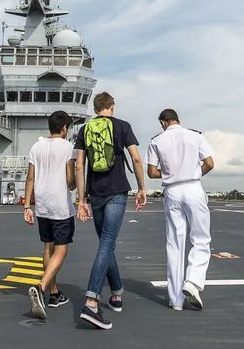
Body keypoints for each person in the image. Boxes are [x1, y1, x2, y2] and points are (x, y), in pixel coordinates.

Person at [74, 92, 147, 330]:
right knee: (107, 243)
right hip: (117, 191)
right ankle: (92, 302)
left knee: (106, 242)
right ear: (112, 108)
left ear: (95, 109)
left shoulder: (84, 130)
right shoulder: (123, 126)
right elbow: (136, 159)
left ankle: (116, 293)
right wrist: (141, 188)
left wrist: (80, 199)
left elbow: (79, 165)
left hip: (95, 193)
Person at [146, 108, 214, 311]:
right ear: (178, 120)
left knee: (175, 244)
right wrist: (194, 172)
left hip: (172, 191)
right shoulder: (195, 135)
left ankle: (175, 300)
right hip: (193, 187)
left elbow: (151, 172)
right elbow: (210, 163)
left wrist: (170, 173)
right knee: (201, 239)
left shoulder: (156, 141)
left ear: (162, 123)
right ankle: (192, 282)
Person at [24, 110, 77, 320]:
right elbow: (70, 179)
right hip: (60, 204)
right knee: (61, 250)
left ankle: (54, 293)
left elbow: (30, 178)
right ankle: (42, 286)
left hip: (42, 203)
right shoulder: (68, 148)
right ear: (64, 128)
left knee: (48, 247)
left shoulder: (36, 146)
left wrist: (27, 205)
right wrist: (78, 186)